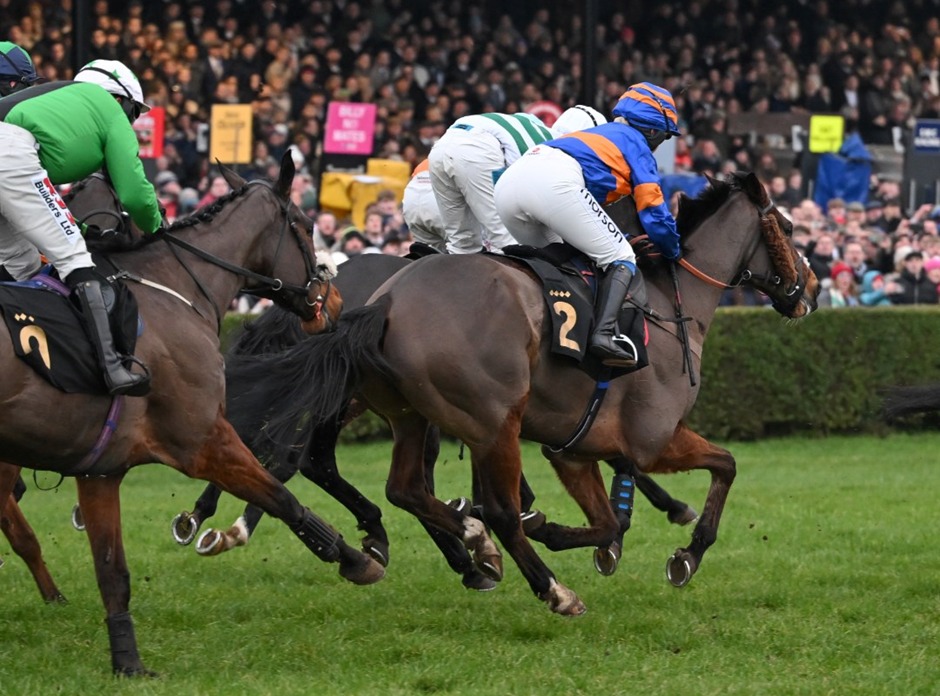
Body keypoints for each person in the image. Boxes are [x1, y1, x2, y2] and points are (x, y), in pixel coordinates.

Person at [0, 58, 163, 395]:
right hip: (8, 154)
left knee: (25, 265)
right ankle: (112, 369)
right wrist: (158, 229)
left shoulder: (56, 102)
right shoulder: (109, 110)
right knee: (74, 257)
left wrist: (85, 230)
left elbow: (35, 203)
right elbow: (135, 195)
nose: (131, 123)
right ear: (120, 100)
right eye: (134, 113)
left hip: (9, 160)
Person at [495, 83, 682, 367]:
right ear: (654, 131)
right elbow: (654, 212)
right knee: (620, 257)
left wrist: (620, 234)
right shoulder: (636, 144)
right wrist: (673, 250)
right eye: (664, 138)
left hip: (510, 185)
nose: (660, 145)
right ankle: (603, 335)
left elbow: (587, 214)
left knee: (563, 263)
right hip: (553, 183)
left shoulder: (596, 136)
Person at [428, 105, 604, 255]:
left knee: (462, 243)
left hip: (442, 145)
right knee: (505, 238)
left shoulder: (531, 122)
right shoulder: (559, 147)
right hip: (479, 149)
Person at [402, 158, 446, 252]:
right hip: (436, 203)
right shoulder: (474, 155)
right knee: (468, 247)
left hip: (411, 204)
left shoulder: (426, 160)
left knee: (431, 255)